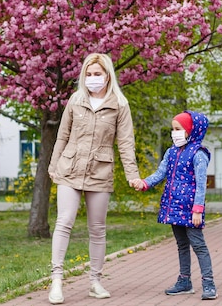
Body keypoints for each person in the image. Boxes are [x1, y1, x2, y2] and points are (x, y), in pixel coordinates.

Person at [47, 53, 141, 304]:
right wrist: (54, 165)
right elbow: (62, 136)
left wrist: (132, 175)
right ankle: (56, 280)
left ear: (108, 75)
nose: (92, 79)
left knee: (97, 229)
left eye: (97, 74)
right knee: (64, 221)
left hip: (100, 172)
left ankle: (95, 282)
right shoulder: (76, 101)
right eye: (88, 74)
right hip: (70, 168)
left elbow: (126, 143)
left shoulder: (119, 105)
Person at [131, 110, 217, 300]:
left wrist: (198, 210)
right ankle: (185, 281)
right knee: (181, 245)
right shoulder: (171, 152)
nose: (174, 132)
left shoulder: (198, 154)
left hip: (190, 209)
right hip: (174, 208)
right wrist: (144, 183)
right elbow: (160, 174)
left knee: (199, 245)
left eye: (178, 129)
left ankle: (209, 283)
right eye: (172, 129)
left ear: (190, 130)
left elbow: (201, 184)